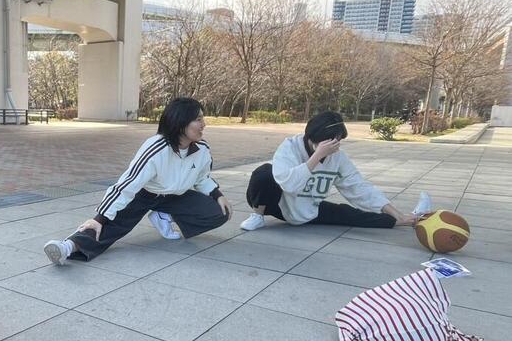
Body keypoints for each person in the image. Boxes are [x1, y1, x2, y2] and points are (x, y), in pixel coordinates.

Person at [43, 97, 231, 265]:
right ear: (180, 122)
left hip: (175, 196)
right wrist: (99, 218)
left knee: (220, 212)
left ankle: (164, 215)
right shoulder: (156, 148)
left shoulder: (202, 149)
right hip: (144, 194)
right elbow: (128, 184)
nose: (204, 124)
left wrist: (217, 195)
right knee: (110, 225)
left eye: (202, 119)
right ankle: (67, 247)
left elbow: (202, 178)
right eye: (198, 119)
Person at [240, 111, 431, 231]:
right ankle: (257, 216)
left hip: (309, 209)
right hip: (278, 204)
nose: (335, 146)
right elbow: (288, 184)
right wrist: (316, 157)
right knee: (265, 172)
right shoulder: (290, 147)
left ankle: (407, 219)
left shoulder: (337, 156)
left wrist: (395, 213)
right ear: (313, 137)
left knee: (351, 215)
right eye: (331, 141)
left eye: (338, 141)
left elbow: (358, 187)